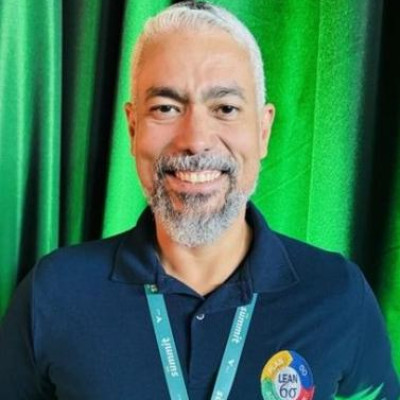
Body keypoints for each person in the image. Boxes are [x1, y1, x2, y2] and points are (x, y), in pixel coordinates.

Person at [0, 1, 399, 399]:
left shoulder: (337, 294)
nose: (195, 139)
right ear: (133, 128)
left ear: (263, 131)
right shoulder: (53, 293)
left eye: (225, 108)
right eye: (166, 108)